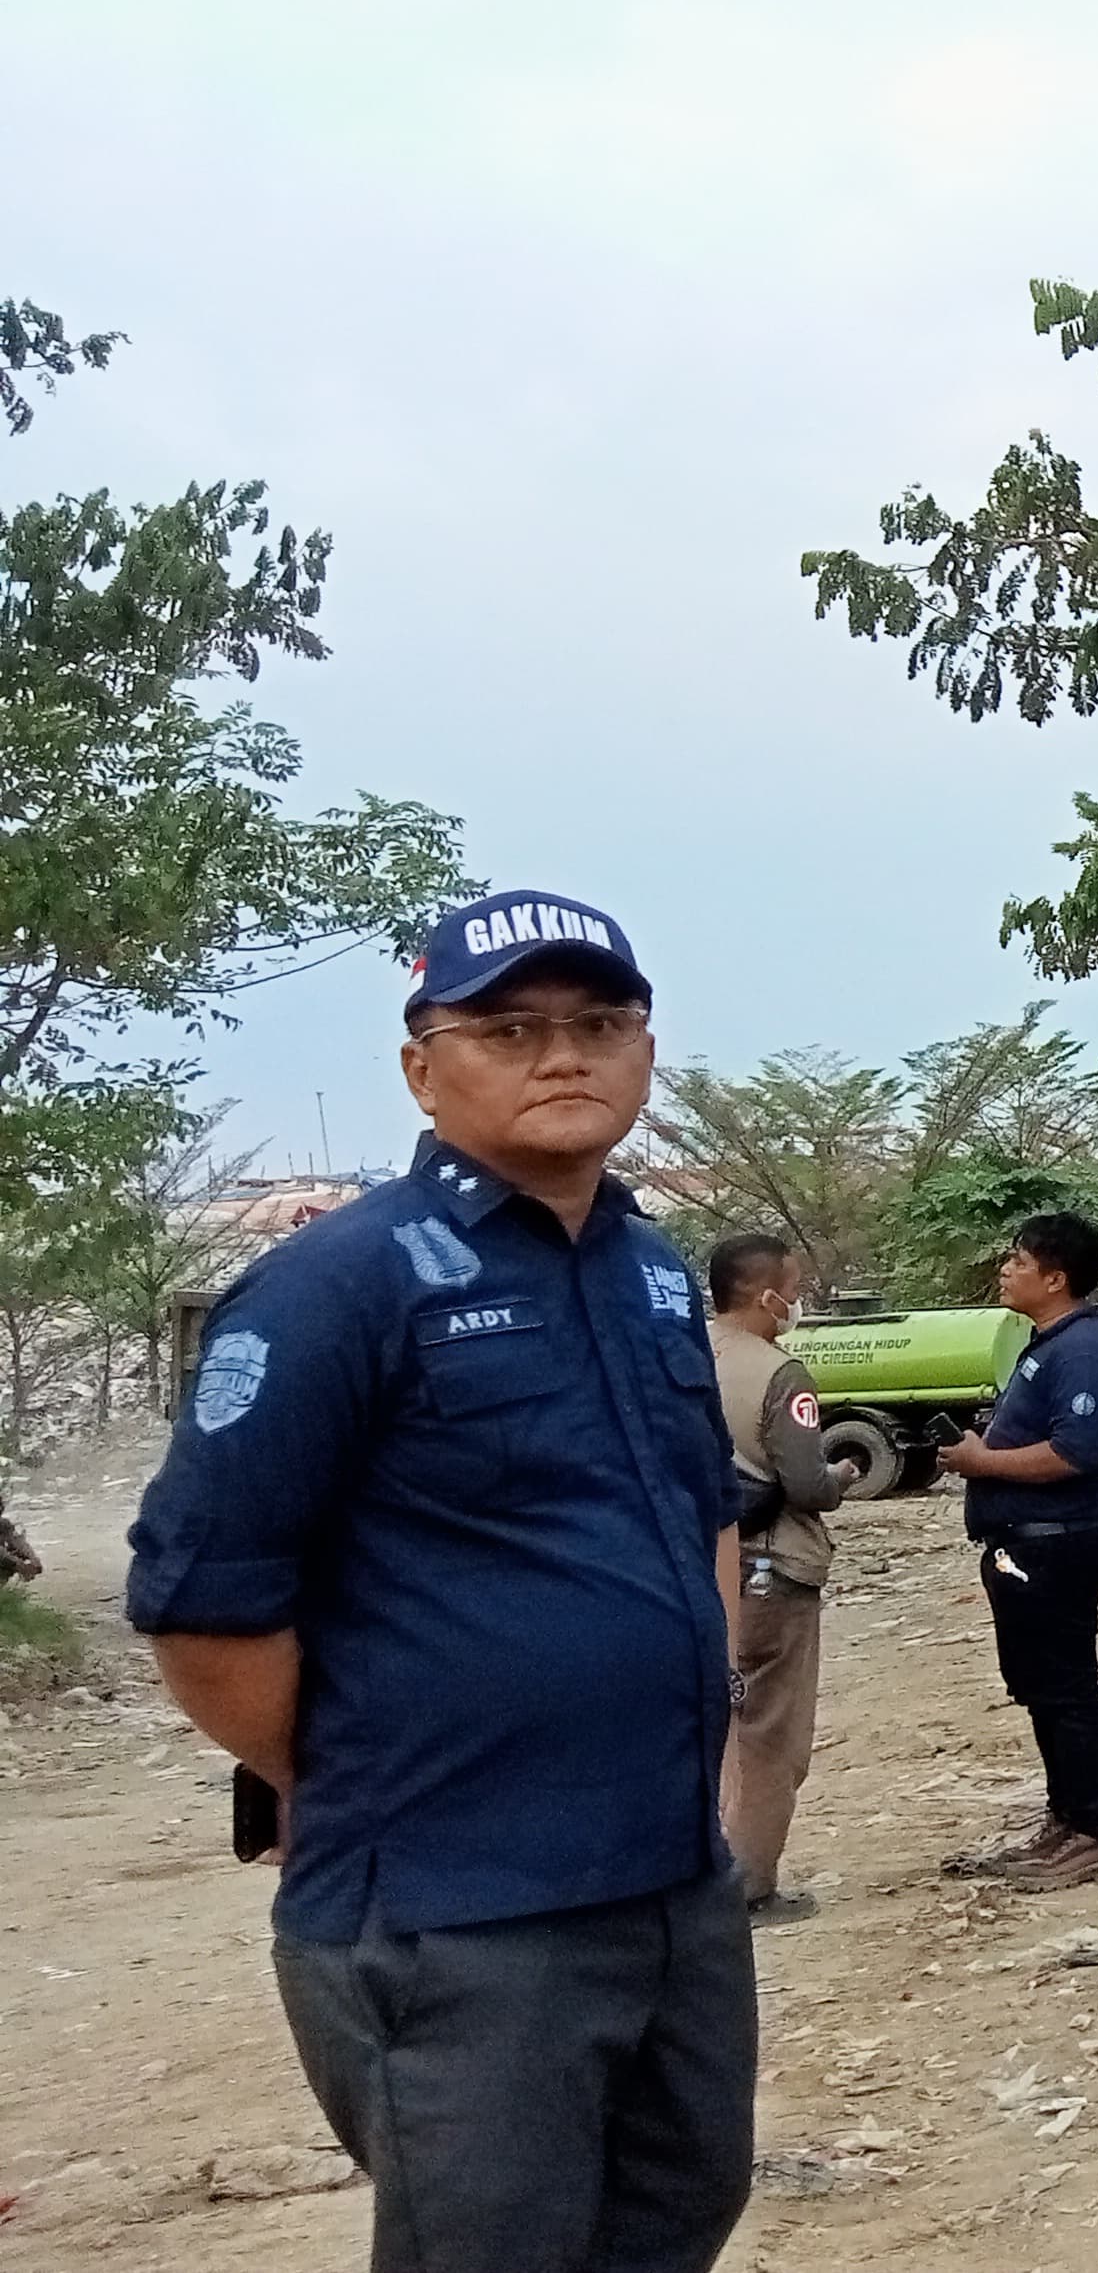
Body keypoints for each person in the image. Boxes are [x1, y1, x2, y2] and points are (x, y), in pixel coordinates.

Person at [124, 888, 756, 2273]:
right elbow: (206, 1599)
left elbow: (702, 1509)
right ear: (422, 1066)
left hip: (667, 1881)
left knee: (675, 2214)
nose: (564, 1056)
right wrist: (353, 1763)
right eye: (511, 1028)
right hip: (457, 1908)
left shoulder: (648, 1272)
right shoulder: (338, 1286)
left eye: (601, 1023)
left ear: (646, 1049)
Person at [937, 1212, 1098, 1889]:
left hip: (1056, 1544)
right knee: (1043, 1689)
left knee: (1068, 1689)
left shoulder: (1081, 1351)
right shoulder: (1042, 1344)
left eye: (1018, 1261)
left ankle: (1096, 1834)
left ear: (1055, 1277)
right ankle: (1065, 1819)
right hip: (1022, 1544)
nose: (1004, 1270)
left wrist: (981, 1462)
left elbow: (1074, 1454)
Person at [709, 1230, 851, 1926]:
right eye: (793, 1290)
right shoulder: (779, 1373)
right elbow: (806, 1483)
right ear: (767, 1293)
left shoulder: (680, 1354)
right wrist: (842, 1476)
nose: (796, 1302)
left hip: (695, 1568)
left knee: (713, 1726)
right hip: (771, 1564)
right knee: (770, 1732)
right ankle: (751, 1886)